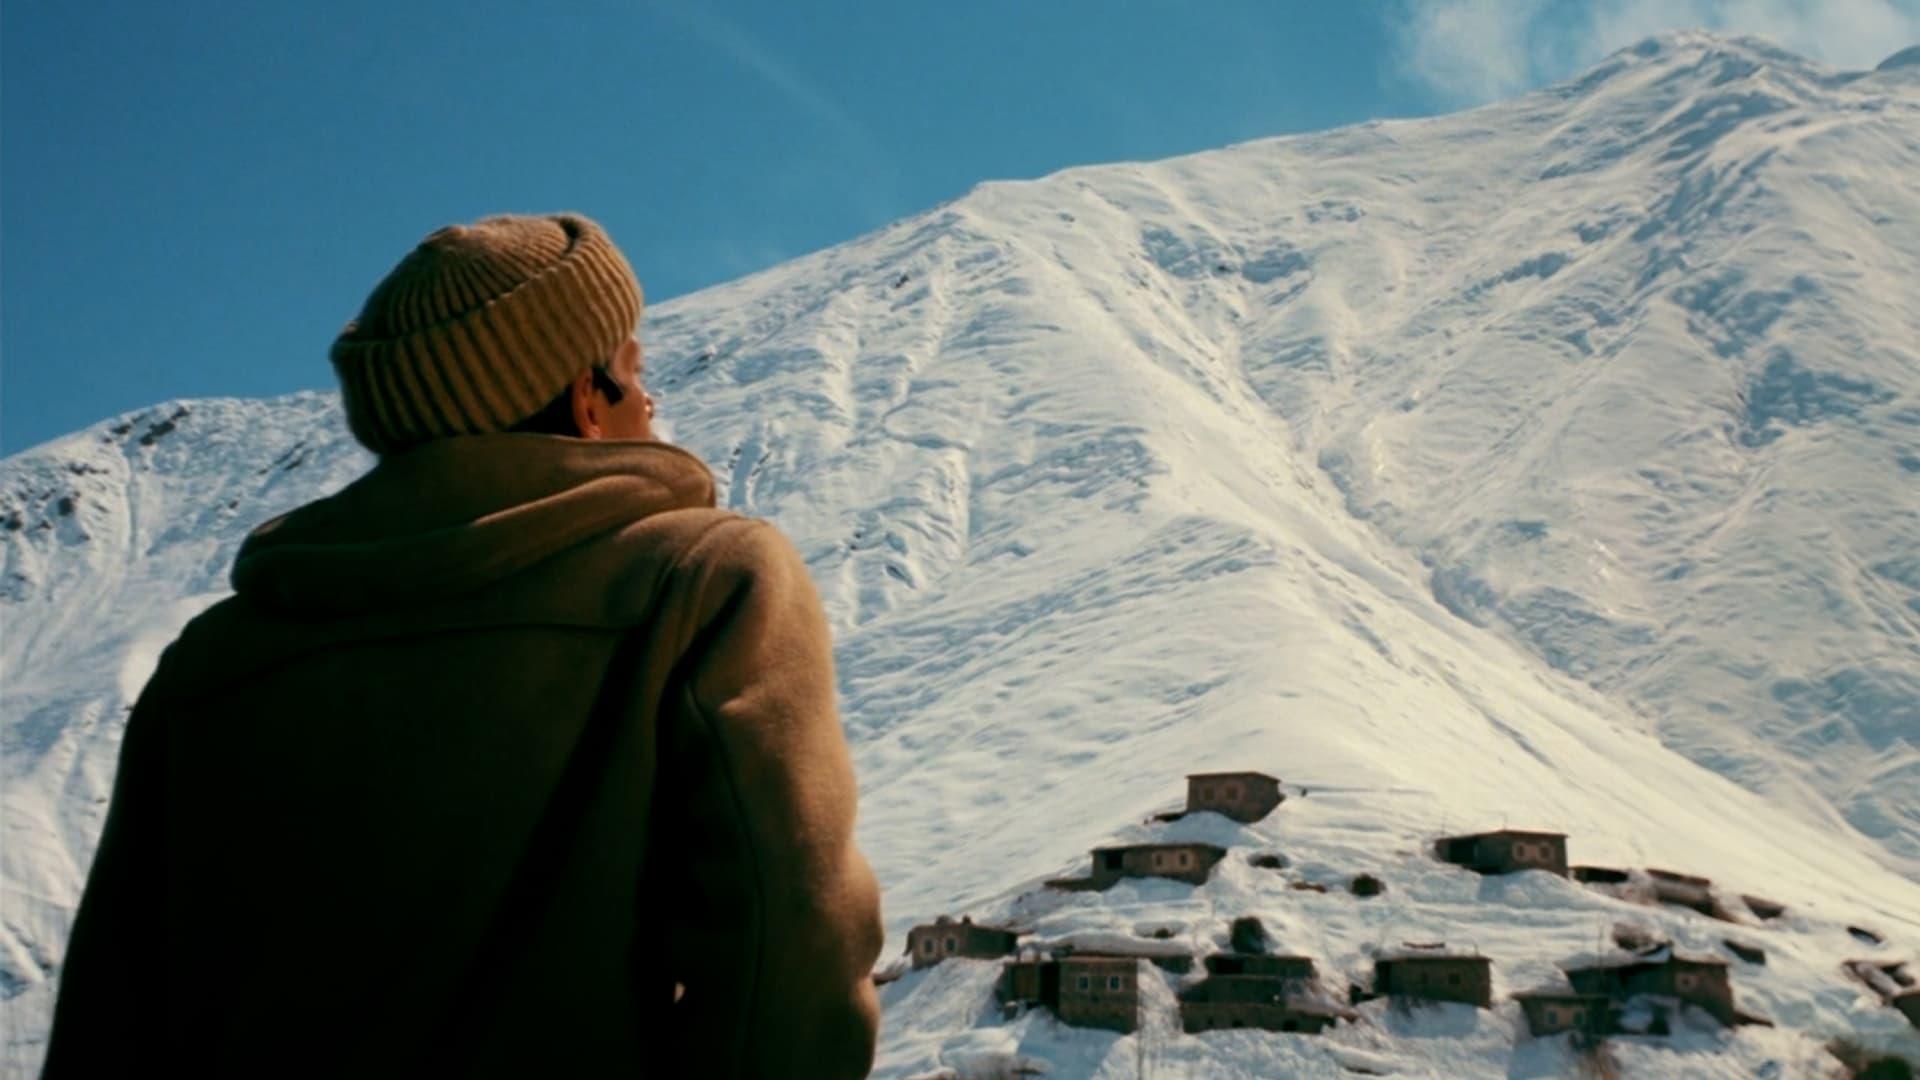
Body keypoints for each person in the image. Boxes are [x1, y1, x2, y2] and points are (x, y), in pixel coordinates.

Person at [43, 213, 884, 1078]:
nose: (652, 400)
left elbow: (117, 1003)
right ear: (584, 402)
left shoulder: (214, 660)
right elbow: (788, 945)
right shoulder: (702, 581)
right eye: (634, 372)